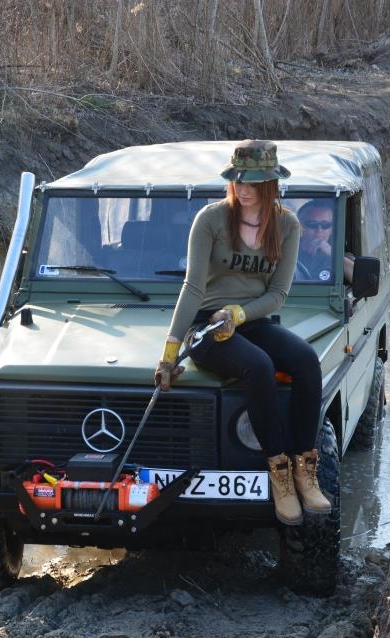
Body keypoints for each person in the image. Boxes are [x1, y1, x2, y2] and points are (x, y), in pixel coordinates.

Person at [154, 140, 330, 526]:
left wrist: (240, 311)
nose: (243, 188)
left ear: (271, 183)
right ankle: (279, 472)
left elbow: (278, 294)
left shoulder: (287, 225)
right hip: (208, 324)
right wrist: (169, 353)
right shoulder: (211, 219)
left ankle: (306, 468)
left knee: (305, 361)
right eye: (237, 180)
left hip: (252, 318)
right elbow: (192, 287)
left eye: (252, 181)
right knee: (258, 366)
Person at [297, 199, 354, 283]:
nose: (319, 230)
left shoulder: (339, 254)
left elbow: (361, 281)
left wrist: (333, 255)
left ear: (331, 229)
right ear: (300, 226)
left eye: (325, 225)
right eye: (312, 224)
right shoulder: (288, 251)